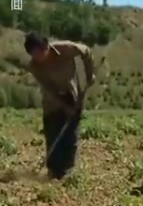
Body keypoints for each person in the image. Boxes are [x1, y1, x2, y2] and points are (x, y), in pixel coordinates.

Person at [24, 33, 95, 180]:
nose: (38, 57)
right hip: (52, 102)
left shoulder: (66, 49)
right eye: (34, 54)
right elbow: (48, 88)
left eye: (40, 52)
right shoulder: (34, 66)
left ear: (46, 46)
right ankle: (53, 171)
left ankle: (67, 172)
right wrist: (63, 104)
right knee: (53, 134)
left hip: (73, 95)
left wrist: (89, 74)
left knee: (70, 135)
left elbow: (86, 51)